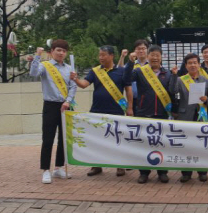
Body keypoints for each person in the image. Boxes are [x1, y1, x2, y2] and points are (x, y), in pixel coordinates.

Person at [70, 45, 133, 178]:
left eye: (103, 55)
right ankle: (96, 165)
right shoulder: (95, 71)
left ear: (112, 56)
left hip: (116, 110)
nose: (101, 57)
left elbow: (128, 89)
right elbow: (84, 84)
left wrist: (130, 107)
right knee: (96, 139)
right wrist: (75, 79)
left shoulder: (121, 71)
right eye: (100, 55)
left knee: (117, 138)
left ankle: (120, 165)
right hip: (97, 110)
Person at [29, 39, 77, 184]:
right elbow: (33, 73)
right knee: (48, 139)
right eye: (58, 50)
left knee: (63, 139)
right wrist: (37, 56)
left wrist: (68, 100)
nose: (61, 53)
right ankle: (45, 170)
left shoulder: (70, 68)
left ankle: (59, 168)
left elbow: (73, 86)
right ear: (52, 52)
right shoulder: (45, 65)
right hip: (50, 106)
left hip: (66, 106)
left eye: (63, 51)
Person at [128, 45, 177, 184]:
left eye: (157, 55)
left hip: (162, 114)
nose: (155, 58)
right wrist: (130, 62)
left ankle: (162, 172)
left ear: (161, 57)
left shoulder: (167, 73)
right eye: (152, 55)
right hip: (144, 113)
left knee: (161, 143)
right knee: (144, 144)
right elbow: (126, 79)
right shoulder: (140, 72)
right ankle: (144, 173)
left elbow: (172, 91)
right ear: (147, 56)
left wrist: (174, 76)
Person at [169, 53, 208, 183]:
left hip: (201, 116)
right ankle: (186, 173)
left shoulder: (205, 81)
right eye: (190, 63)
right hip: (185, 116)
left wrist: (207, 100)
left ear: (199, 64)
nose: (193, 65)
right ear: (186, 66)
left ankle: (202, 172)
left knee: (201, 145)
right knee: (186, 145)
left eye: (195, 62)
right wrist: (173, 75)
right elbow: (172, 91)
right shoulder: (180, 79)